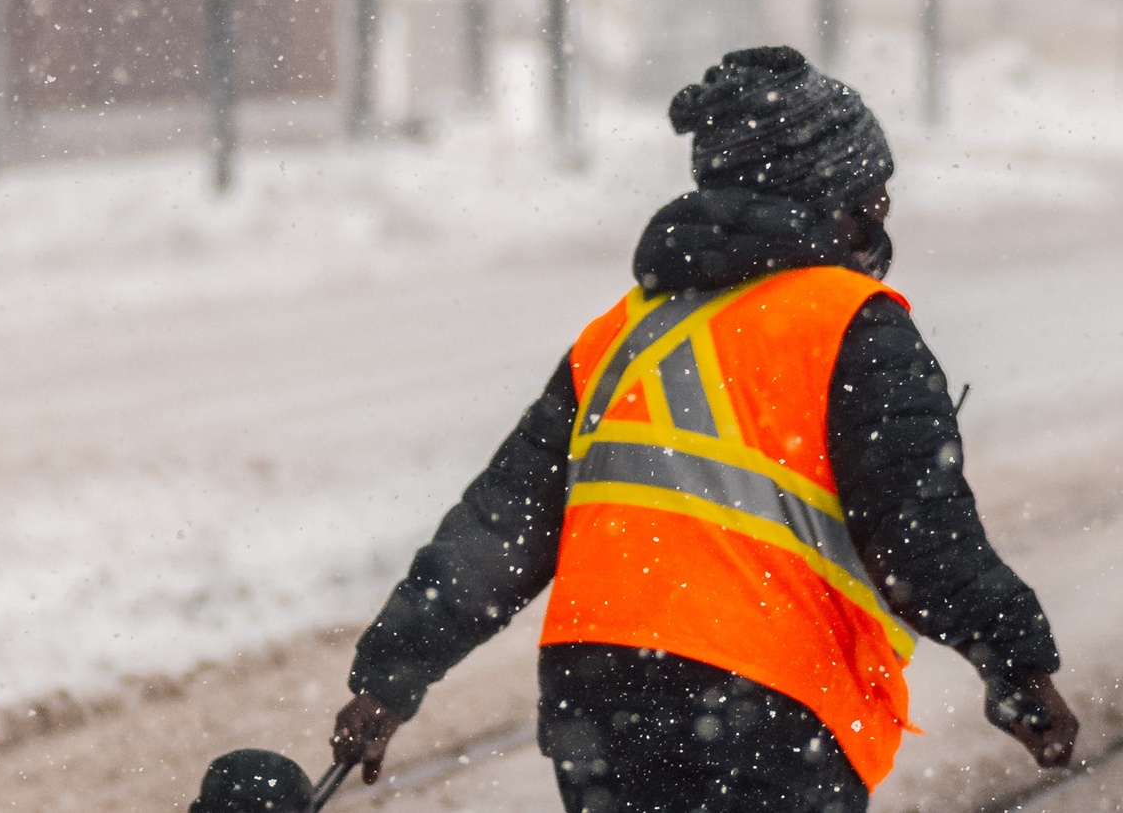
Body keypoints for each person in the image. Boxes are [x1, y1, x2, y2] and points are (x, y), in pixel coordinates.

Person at [328, 47, 1079, 813]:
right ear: (828, 196)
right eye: (871, 199)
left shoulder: (619, 337)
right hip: (769, 706)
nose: (878, 221)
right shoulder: (849, 327)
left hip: (600, 702)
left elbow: (500, 526)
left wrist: (391, 675)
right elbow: (923, 538)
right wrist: (1017, 666)